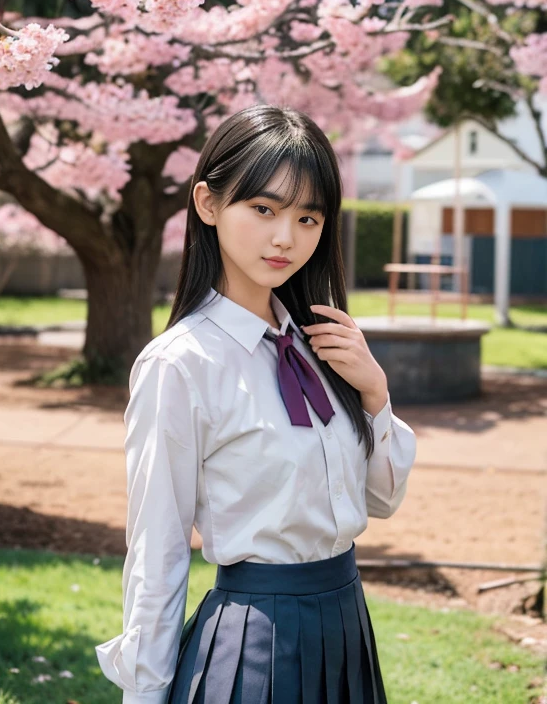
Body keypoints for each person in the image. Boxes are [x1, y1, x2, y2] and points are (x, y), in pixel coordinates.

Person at [94, 104, 417, 704]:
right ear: (208, 204)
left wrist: (374, 392)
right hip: (255, 644)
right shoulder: (180, 365)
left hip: (346, 625)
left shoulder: (325, 345)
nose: (284, 238)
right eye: (263, 209)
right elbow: (157, 547)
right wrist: (144, 692)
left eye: (307, 218)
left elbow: (381, 500)